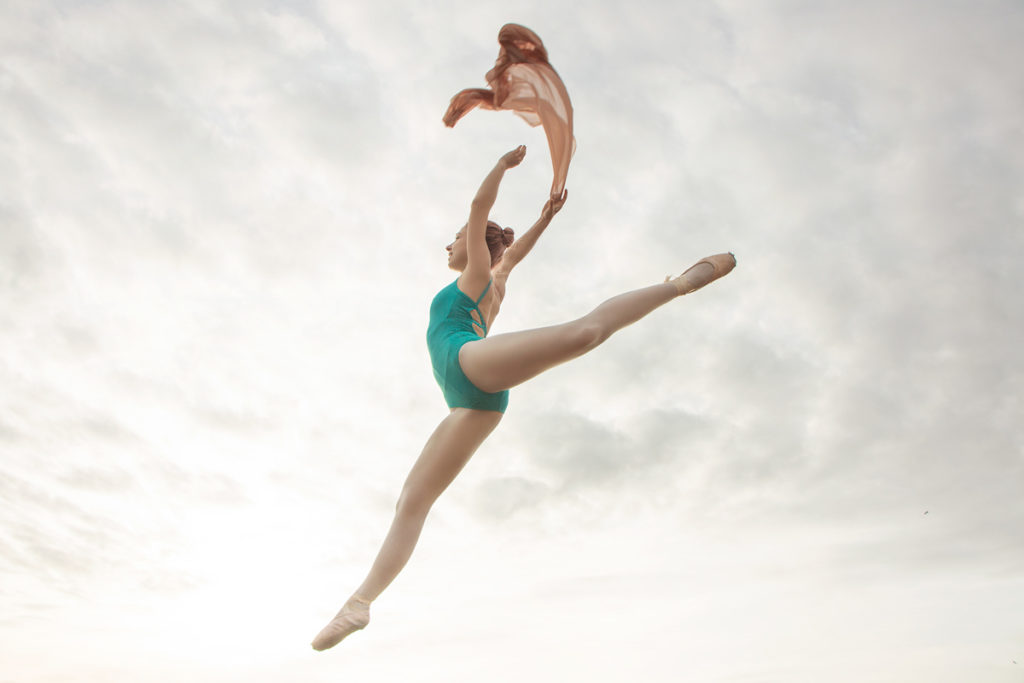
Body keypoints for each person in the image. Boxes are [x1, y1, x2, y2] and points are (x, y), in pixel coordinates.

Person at [311, 145, 735, 651]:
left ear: (474, 247)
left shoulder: (475, 278)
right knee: (413, 501)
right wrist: (544, 219)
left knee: (582, 334)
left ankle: (679, 285)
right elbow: (513, 255)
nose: (447, 248)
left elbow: (477, 212)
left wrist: (501, 167)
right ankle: (359, 604)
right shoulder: (497, 277)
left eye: (454, 242)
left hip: (469, 363)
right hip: (467, 404)